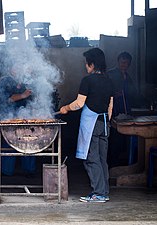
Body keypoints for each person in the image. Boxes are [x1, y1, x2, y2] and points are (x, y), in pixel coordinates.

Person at [59, 48, 114, 203]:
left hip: (92, 125)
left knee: (91, 159)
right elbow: (110, 106)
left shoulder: (87, 80)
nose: (85, 66)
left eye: (86, 63)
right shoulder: (109, 80)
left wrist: (66, 108)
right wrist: (106, 123)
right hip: (104, 123)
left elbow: (79, 103)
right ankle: (104, 191)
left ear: (91, 64)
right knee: (102, 159)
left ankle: (98, 193)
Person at [0, 61, 36, 177]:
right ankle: (6, 171)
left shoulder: (24, 81)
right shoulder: (5, 81)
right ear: (11, 68)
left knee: (28, 140)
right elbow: (4, 100)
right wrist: (23, 95)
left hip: (24, 116)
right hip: (9, 116)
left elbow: (31, 98)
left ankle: (29, 170)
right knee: (9, 142)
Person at [107, 52, 141, 166]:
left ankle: (124, 165)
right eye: (122, 62)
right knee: (114, 140)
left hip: (126, 113)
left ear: (129, 64)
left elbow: (132, 94)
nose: (124, 64)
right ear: (118, 62)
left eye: (126, 63)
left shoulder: (128, 77)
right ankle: (113, 165)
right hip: (114, 112)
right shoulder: (111, 75)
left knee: (124, 140)